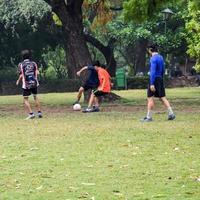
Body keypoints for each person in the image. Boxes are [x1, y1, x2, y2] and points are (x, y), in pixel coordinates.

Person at [141, 44, 175, 122]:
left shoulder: (153, 58)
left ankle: (149, 117)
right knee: (163, 97)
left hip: (154, 79)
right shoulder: (161, 57)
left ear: (150, 50)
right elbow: (163, 70)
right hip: (160, 78)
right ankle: (171, 114)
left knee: (150, 98)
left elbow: (152, 71)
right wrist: (161, 79)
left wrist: (152, 83)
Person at [16, 49, 42, 119]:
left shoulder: (21, 64)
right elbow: (37, 72)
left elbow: (21, 74)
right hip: (34, 83)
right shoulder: (34, 63)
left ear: (22, 57)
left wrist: (18, 80)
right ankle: (39, 113)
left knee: (25, 99)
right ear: (29, 56)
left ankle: (31, 114)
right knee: (35, 97)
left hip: (26, 84)